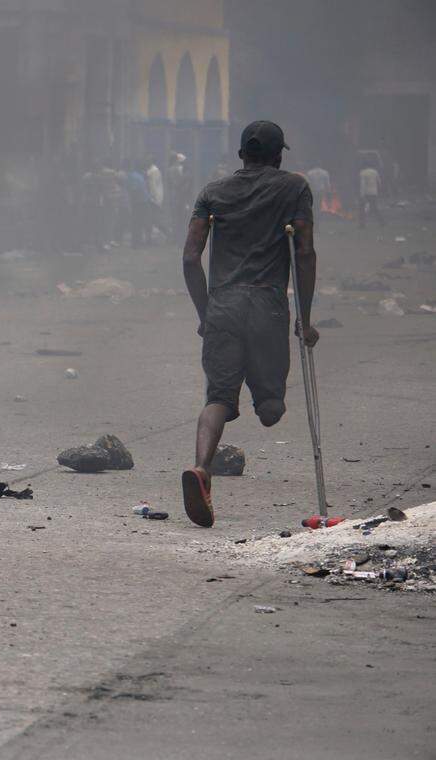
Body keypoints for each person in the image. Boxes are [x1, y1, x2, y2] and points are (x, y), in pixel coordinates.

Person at [180, 120, 319, 527]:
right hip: (267, 307)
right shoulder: (294, 187)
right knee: (271, 410)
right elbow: (305, 253)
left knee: (218, 399)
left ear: (241, 154)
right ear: (278, 156)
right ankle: (266, 397)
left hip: (223, 305)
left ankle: (202, 469)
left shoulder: (212, 193)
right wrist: (305, 321)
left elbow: (190, 258)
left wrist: (205, 314)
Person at [126, 161, 152, 248]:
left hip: (139, 202)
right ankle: (137, 242)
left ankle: (137, 242)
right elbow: (135, 189)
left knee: (137, 222)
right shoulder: (136, 176)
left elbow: (134, 189)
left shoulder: (134, 176)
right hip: (141, 202)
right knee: (138, 222)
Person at [358, 161, 384, 228]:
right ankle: (382, 222)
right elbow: (379, 181)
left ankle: (362, 224)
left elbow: (362, 185)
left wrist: (361, 194)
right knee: (375, 208)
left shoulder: (362, 173)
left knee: (362, 209)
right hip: (374, 192)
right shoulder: (375, 172)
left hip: (366, 193)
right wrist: (380, 190)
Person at [145, 155, 164, 239]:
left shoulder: (153, 171)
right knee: (153, 218)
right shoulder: (153, 170)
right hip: (155, 197)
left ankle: (167, 234)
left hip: (154, 198)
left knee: (154, 218)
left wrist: (153, 198)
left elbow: (152, 186)